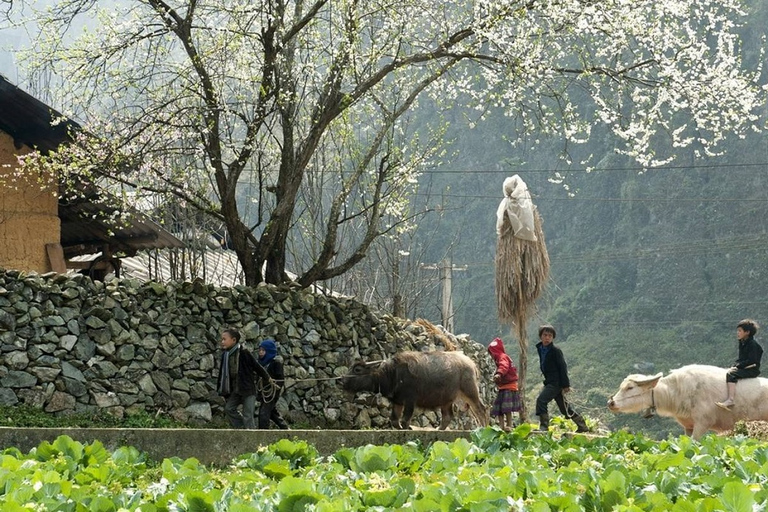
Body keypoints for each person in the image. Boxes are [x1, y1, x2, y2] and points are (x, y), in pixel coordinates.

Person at [534, 324, 589, 433]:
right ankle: (582, 425)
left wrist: (565, 385)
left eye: (550, 335)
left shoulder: (555, 350)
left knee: (541, 400)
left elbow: (562, 367)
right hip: (549, 381)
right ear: (541, 336)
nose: (547, 338)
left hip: (555, 383)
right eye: (545, 335)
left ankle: (544, 427)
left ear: (553, 337)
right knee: (565, 408)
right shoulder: (541, 348)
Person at [217, 328, 269, 429]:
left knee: (248, 415)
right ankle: (241, 428)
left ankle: (252, 438)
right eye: (222, 339)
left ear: (234, 340)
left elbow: (256, 366)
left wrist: (268, 378)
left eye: (224, 339)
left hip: (248, 389)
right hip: (235, 390)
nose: (222, 342)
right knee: (229, 409)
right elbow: (221, 374)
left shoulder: (244, 353)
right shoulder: (225, 355)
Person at [716, 319, 763, 410]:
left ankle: (731, 399)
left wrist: (739, 366)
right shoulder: (742, 342)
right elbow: (741, 358)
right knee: (728, 371)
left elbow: (751, 361)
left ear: (747, 332)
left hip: (752, 369)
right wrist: (736, 364)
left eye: (740, 331)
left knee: (731, 374)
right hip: (745, 367)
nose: (738, 333)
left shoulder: (753, 344)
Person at [487, 337, 521, 431]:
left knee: (506, 408)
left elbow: (504, 366)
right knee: (499, 409)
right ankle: (502, 427)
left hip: (508, 387)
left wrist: (499, 374)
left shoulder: (502, 357)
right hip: (503, 387)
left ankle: (509, 425)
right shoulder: (500, 358)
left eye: (492, 352)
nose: (491, 355)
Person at [256, 338, 290, 430]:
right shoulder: (260, 363)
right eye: (260, 350)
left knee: (264, 413)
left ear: (269, 352)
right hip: (264, 393)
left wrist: (275, 386)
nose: (261, 352)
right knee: (272, 413)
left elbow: (280, 379)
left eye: (263, 350)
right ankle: (286, 429)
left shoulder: (276, 363)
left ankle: (263, 434)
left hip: (272, 393)